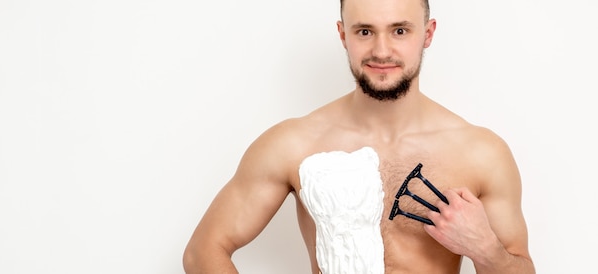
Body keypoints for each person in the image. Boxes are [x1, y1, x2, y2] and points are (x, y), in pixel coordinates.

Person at [183, 0, 535, 273]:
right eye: (365, 32)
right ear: (343, 35)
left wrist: (487, 250)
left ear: (428, 34)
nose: (381, 51)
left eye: (400, 31)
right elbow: (204, 251)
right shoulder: (294, 144)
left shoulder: (481, 153)